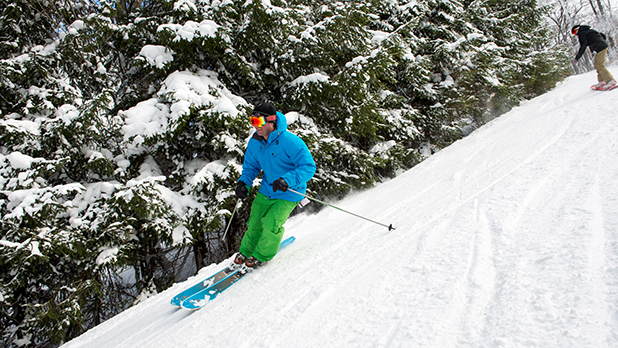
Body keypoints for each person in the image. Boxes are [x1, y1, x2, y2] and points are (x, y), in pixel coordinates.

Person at [231, 102, 316, 273]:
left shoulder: (290, 142)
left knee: (270, 223)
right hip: (267, 189)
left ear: (271, 122)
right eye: (252, 121)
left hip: (289, 192)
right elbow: (251, 167)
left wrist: (288, 180)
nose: (255, 126)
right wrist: (244, 183)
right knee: (254, 221)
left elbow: (308, 166)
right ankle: (246, 251)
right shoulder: (255, 142)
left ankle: (262, 255)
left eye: (259, 121)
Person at [572, 25, 616, 90]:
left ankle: (610, 81)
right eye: (573, 33)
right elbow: (601, 35)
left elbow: (583, 46)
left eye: (574, 32)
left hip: (601, 48)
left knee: (600, 65)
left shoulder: (582, 34)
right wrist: (600, 43)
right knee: (597, 65)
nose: (575, 34)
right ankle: (602, 80)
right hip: (601, 48)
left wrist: (577, 57)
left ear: (578, 30)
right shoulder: (589, 31)